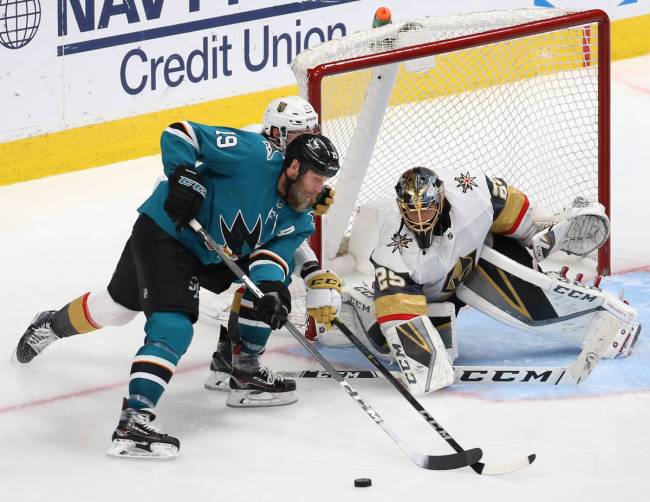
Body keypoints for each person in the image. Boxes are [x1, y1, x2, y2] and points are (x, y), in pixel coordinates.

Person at [14, 119, 341, 458]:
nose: (321, 190)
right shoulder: (253, 154)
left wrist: (272, 291)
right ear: (293, 167)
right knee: (174, 325)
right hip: (167, 232)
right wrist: (184, 174)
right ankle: (134, 422)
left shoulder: (300, 217)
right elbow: (180, 132)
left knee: (117, 308)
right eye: (317, 179)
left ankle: (50, 325)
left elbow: (271, 257)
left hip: (210, 255)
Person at [331, 166, 639, 395]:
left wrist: (539, 230)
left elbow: (513, 208)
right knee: (396, 347)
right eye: (412, 212)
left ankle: (574, 294)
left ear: (439, 200)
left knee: (530, 296)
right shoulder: (392, 249)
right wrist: (425, 364)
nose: (420, 219)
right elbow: (400, 314)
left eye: (426, 210)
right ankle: (356, 306)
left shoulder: (472, 192)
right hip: (432, 297)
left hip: (478, 258)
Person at [200, 95, 341, 393]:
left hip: (237, 238)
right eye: (298, 135)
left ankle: (229, 356)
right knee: (270, 281)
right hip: (205, 238)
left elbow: (285, 231)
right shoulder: (255, 154)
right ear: (276, 133)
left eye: (310, 135)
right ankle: (246, 365)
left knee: (270, 277)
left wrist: (312, 269)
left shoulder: (296, 167)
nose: (307, 142)